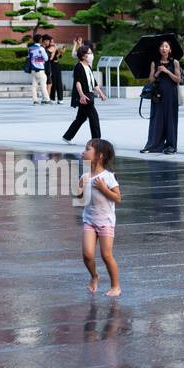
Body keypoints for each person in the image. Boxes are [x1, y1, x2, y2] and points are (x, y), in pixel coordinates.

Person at [79, 138, 121, 297]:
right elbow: (80, 199)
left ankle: (116, 286)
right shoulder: (85, 176)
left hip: (106, 222)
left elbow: (118, 198)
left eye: (88, 149)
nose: (83, 152)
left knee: (106, 255)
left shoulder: (108, 177)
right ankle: (94, 276)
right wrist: (80, 189)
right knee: (87, 255)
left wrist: (104, 188)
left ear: (100, 156)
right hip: (89, 220)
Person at [140, 39, 183, 155]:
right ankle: (154, 145)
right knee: (157, 119)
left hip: (171, 94)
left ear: (170, 49)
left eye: (166, 46)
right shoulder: (154, 62)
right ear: (159, 49)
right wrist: (158, 72)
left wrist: (167, 71)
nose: (164, 48)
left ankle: (171, 146)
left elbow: (178, 80)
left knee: (170, 120)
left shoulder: (175, 63)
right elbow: (151, 80)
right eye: (162, 46)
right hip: (157, 95)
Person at [63, 45, 105, 143]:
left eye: (91, 53)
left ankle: (67, 136)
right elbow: (78, 82)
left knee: (81, 118)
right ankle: (96, 140)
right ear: (83, 56)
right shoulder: (79, 66)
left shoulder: (88, 66)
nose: (91, 55)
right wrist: (81, 95)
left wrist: (101, 93)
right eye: (89, 53)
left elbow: (93, 82)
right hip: (85, 96)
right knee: (94, 117)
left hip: (89, 94)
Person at [27, 34, 50, 105]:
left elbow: (29, 57)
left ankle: (35, 100)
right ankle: (47, 99)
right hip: (40, 69)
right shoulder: (41, 48)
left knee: (34, 85)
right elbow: (46, 58)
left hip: (33, 69)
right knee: (43, 84)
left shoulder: (30, 48)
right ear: (40, 40)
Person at [46, 37, 65, 104]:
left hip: (57, 65)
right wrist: (54, 50)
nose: (53, 43)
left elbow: (57, 56)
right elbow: (50, 59)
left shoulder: (55, 48)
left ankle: (60, 99)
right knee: (53, 82)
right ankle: (52, 98)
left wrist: (61, 52)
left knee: (59, 82)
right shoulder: (47, 49)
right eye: (51, 42)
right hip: (51, 66)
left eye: (53, 41)